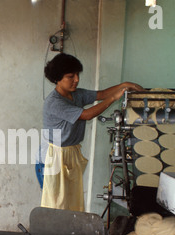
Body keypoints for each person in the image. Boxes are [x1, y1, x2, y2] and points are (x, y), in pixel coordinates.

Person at [37, 53, 143, 212]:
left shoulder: (77, 94)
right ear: (57, 79)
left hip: (69, 153)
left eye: (77, 75)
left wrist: (124, 85)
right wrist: (114, 98)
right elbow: (86, 115)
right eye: (70, 76)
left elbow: (101, 94)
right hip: (52, 158)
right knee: (56, 208)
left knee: (71, 204)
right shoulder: (54, 102)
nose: (76, 79)